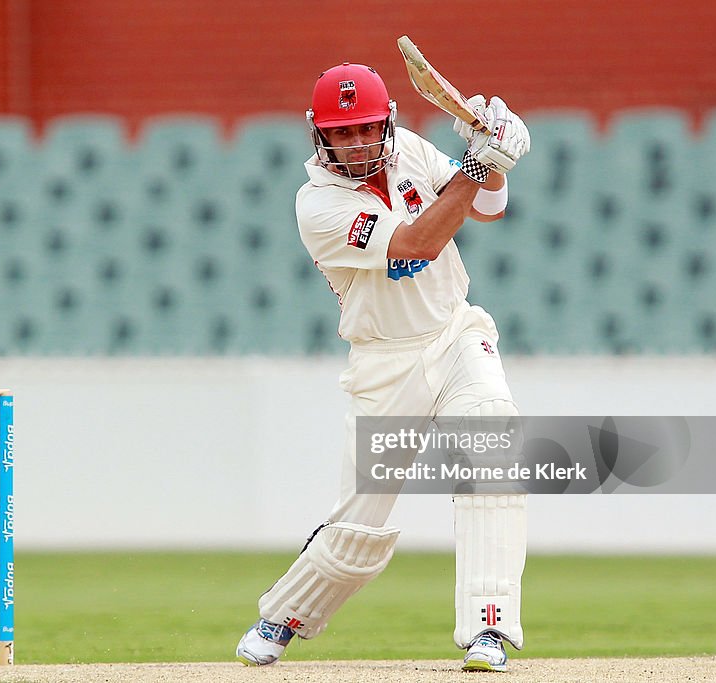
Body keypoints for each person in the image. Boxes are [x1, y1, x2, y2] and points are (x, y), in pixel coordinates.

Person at [235, 63, 531, 672]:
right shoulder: (317, 205)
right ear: (320, 136)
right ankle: (284, 615)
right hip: (385, 363)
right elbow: (418, 242)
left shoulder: (415, 152)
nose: (357, 143)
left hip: (455, 334)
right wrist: (479, 162)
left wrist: (496, 152)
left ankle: (489, 628)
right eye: (342, 134)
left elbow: (489, 207)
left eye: (367, 129)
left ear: (387, 123)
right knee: (362, 516)